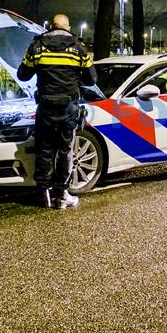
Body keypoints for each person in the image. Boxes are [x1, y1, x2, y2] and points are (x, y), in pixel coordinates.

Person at [17, 14, 96, 209]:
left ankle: (44, 193)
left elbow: (23, 74)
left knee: (44, 150)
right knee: (65, 150)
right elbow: (91, 79)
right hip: (68, 106)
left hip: (45, 106)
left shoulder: (37, 46)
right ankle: (62, 194)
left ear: (51, 27)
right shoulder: (78, 48)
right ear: (68, 27)